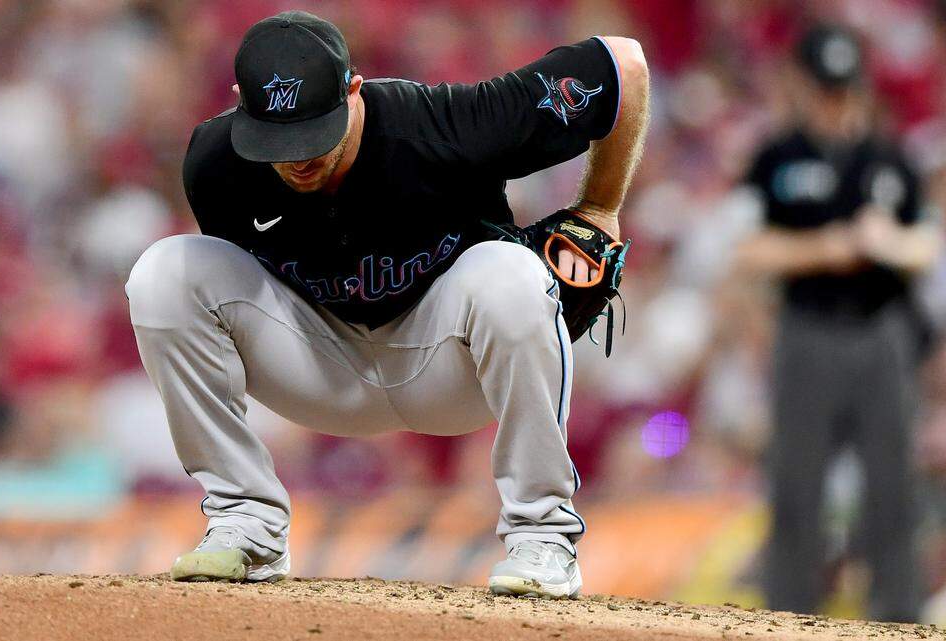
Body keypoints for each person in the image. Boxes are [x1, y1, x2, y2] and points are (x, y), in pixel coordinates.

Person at [124, 10, 648, 599]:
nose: (299, 157)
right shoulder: (217, 163)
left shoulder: (446, 124)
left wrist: (600, 205)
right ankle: (247, 523)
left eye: (315, 131)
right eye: (279, 139)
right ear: (240, 103)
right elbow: (223, 300)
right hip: (322, 367)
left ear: (354, 89)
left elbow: (623, 64)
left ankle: (542, 533)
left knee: (511, 275)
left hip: (447, 365)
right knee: (163, 274)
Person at [736, 25, 940, 621]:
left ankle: (901, 620)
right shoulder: (777, 158)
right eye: (826, 90)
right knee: (796, 487)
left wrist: (889, 243)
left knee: (893, 489)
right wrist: (825, 247)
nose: (836, 103)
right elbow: (747, 248)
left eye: (844, 90)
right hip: (808, 329)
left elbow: (927, 242)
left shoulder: (891, 160)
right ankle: (787, 618)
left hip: (880, 331)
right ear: (802, 87)